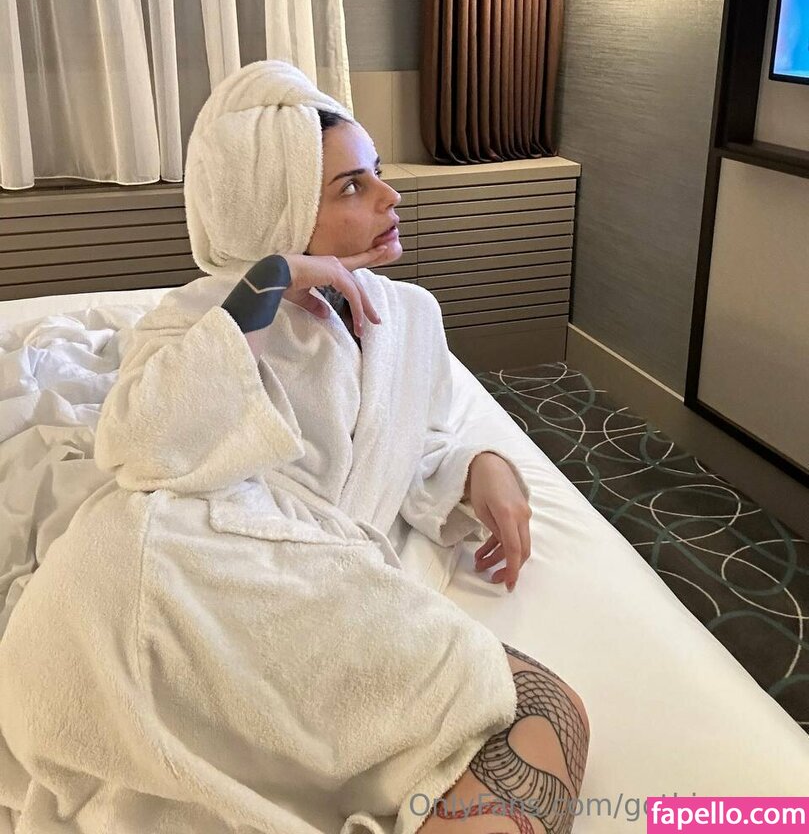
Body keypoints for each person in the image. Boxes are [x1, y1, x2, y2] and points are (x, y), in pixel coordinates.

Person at [0, 61, 588, 834]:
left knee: (541, 712)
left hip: (304, 574)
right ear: (272, 207)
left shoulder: (411, 314)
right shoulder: (211, 313)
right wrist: (265, 285)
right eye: (351, 187)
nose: (390, 197)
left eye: (378, 173)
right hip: (176, 556)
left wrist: (480, 466)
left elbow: (415, 441)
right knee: (540, 708)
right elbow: (139, 448)